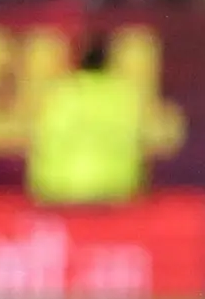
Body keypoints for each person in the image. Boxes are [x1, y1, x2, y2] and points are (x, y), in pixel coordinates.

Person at [26, 28, 148, 207]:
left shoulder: (61, 91)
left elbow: (41, 141)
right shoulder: (124, 93)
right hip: (114, 190)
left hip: (59, 190)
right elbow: (140, 145)